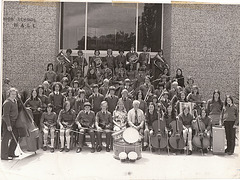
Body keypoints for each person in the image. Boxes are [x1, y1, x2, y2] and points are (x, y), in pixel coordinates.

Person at [1, 88, 19, 160]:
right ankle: (3, 155)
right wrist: (8, 125)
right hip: (8, 122)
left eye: (15, 94)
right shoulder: (7, 102)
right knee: (6, 138)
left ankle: (11, 152)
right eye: (12, 94)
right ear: (9, 94)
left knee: (16, 136)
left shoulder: (15, 101)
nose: (14, 96)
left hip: (14, 122)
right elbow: (5, 115)